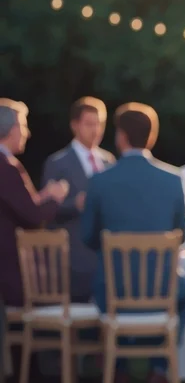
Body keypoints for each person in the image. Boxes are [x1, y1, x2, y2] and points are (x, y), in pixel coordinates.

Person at [82, 103, 185, 383]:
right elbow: (182, 234)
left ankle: (118, 369)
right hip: (161, 290)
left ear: (120, 137)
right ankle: (159, 366)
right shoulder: (173, 179)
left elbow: (87, 237)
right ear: (152, 137)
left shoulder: (99, 181)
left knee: (100, 285)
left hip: (111, 290)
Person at [42, 97, 115, 302]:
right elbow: (47, 210)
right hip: (74, 258)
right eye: (89, 124)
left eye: (99, 124)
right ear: (75, 125)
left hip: (106, 255)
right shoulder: (57, 163)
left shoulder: (108, 160)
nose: (96, 130)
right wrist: (75, 203)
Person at [0, 99, 67, 308]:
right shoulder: (7, 167)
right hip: (9, 274)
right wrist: (55, 198)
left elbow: (17, 206)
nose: (27, 133)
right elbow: (33, 218)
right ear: (12, 129)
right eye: (23, 126)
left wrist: (42, 196)